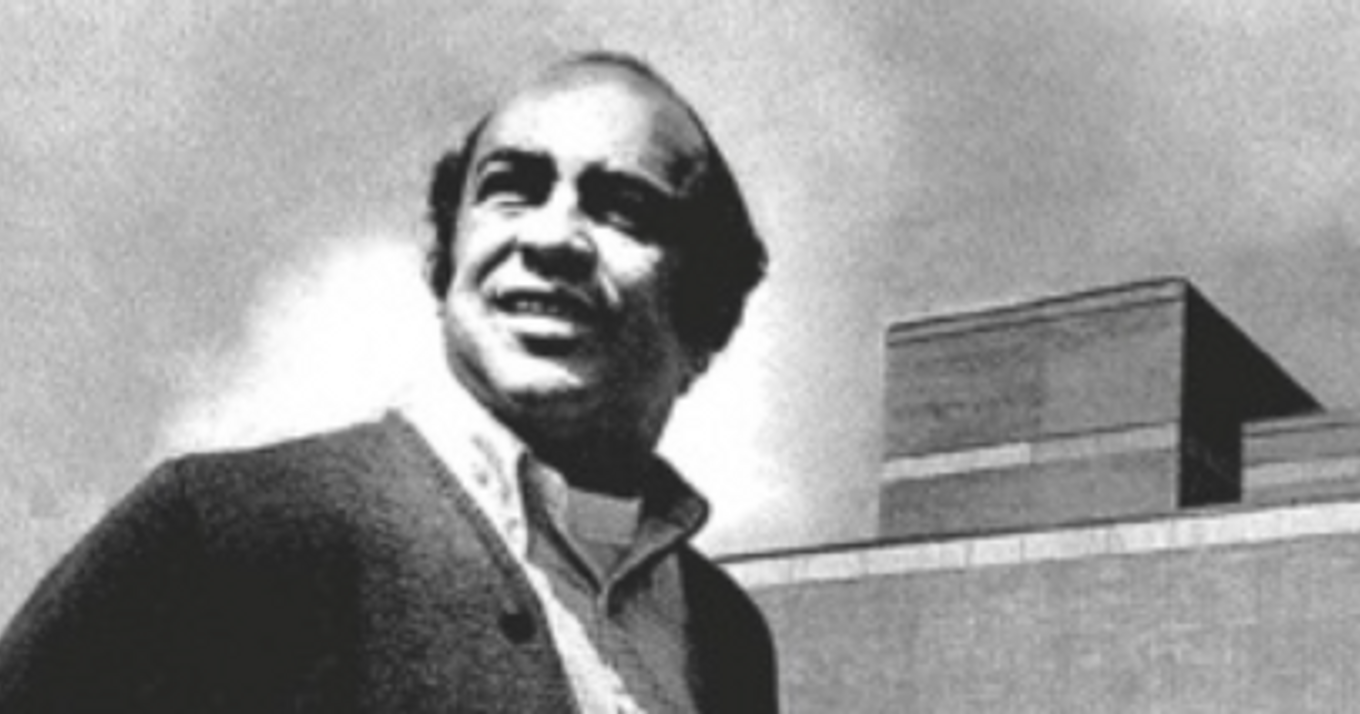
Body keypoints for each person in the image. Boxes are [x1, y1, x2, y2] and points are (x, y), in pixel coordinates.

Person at [0, 52, 778, 713]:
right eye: (511, 186)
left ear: (705, 313)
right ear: (449, 258)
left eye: (624, 208)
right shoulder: (225, 529)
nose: (550, 237)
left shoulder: (726, 636)